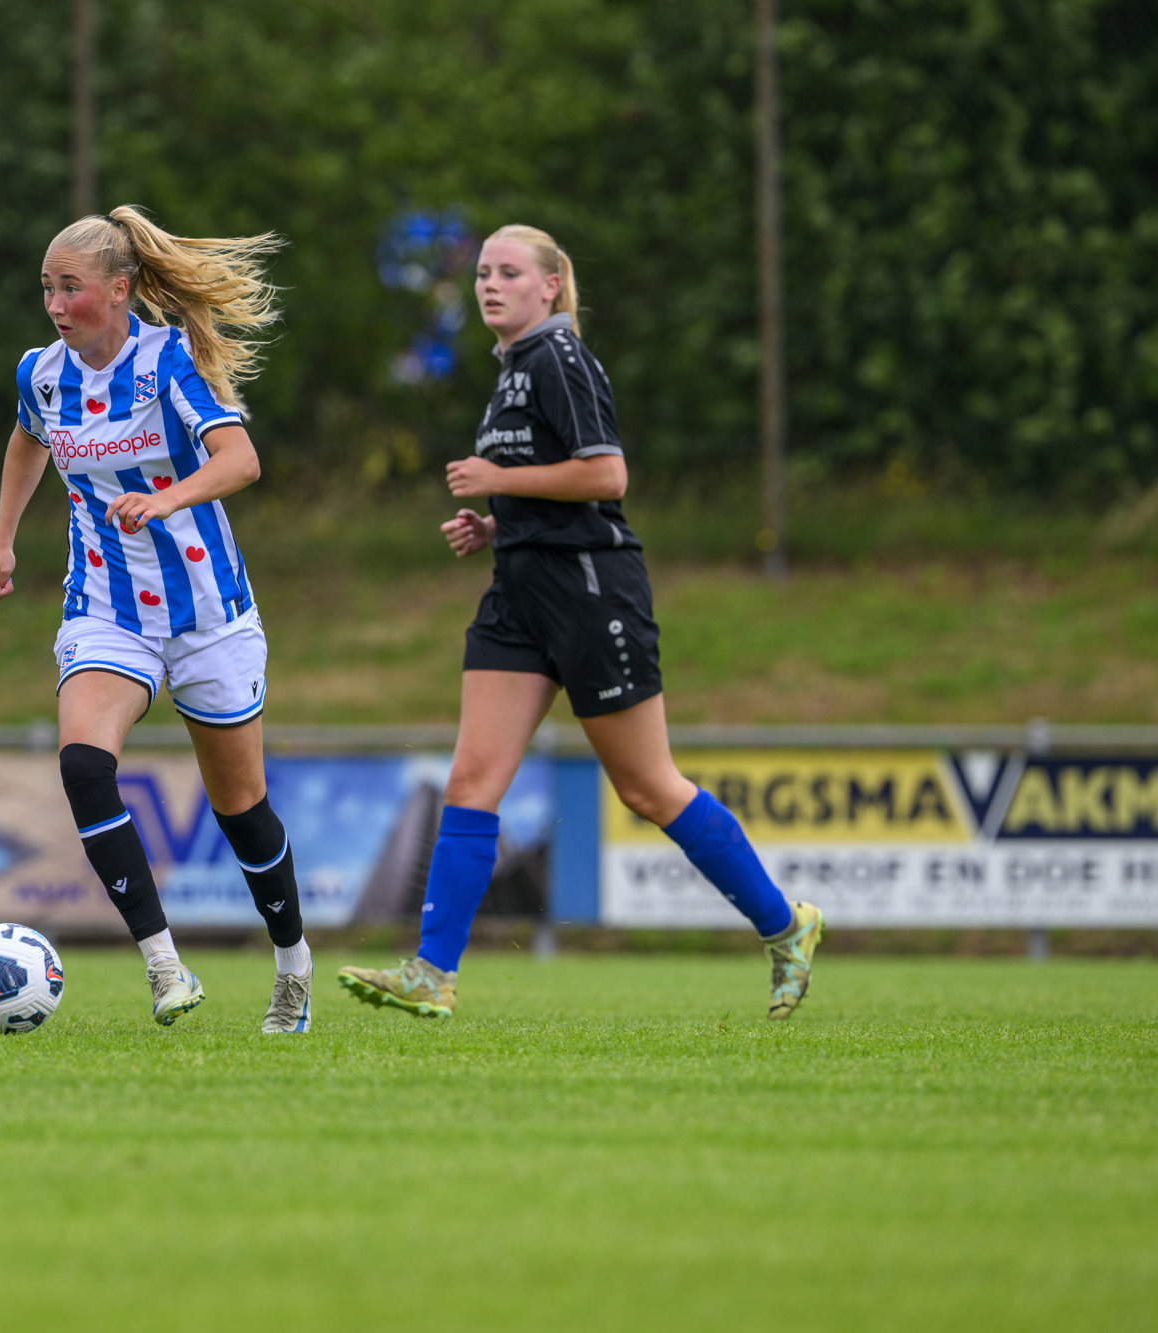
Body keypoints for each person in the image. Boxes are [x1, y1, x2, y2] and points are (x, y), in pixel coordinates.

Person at [337, 225, 824, 1021]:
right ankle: (433, 973)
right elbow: (550, 484)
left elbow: (607, 473)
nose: (489, 285)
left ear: (551, 288)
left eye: (510, 273)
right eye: (483, 273)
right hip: (518, 592)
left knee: (647, 786)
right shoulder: (513, 371)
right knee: (471, 780)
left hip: (591, 591)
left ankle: (785, 925)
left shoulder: (559, 359)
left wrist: (499, 478)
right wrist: (497, 522)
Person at [0, 206, 314, 1033]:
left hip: (208, 611)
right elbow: (28, 440)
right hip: (106, 610)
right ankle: (165, 966)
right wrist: (3, 542)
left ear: (120, 289)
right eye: (47, 288)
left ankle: (292, 965)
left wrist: (162, 498)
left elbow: (242, 459)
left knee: (242, 811)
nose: (55, 304)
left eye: (72, 288)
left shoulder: (168, 361)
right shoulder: (42, 372)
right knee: (86, 767)